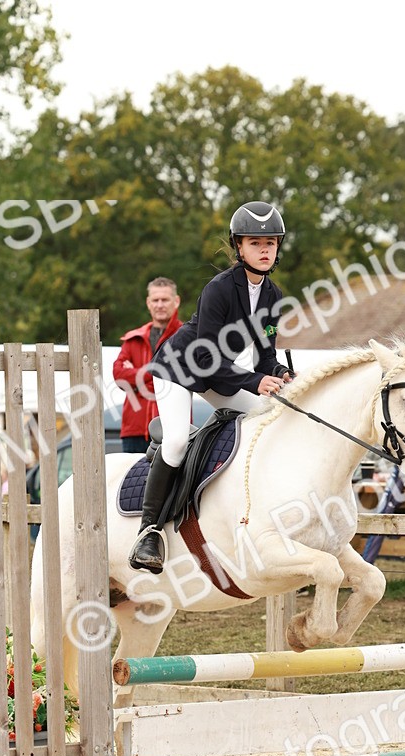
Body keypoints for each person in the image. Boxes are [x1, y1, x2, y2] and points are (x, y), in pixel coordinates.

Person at [128, 200, 292, 573]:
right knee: (174, 442)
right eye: (255, 243)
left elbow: (264, 360)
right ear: (239, 247)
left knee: (268, 418)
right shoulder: (219, 289)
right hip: (178, 368)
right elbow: (205, 359)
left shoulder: (273, 297)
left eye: (271, 243)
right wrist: (254, 381)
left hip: (218, 374)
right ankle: (148, 531)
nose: (264, 250)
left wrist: (280, 374)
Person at [112, 277, 182, 454]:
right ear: (148, 303)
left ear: (176, 301)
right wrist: (158, 374)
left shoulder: (186, 336)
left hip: (173, 429)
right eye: (155, 300)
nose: (160, 305)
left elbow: (185, 375)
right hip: (134, 431)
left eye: (165, 300)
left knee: (174, 482)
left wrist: (136, 376)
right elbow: (119, 375)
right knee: (132, 481)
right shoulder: (133, 338)